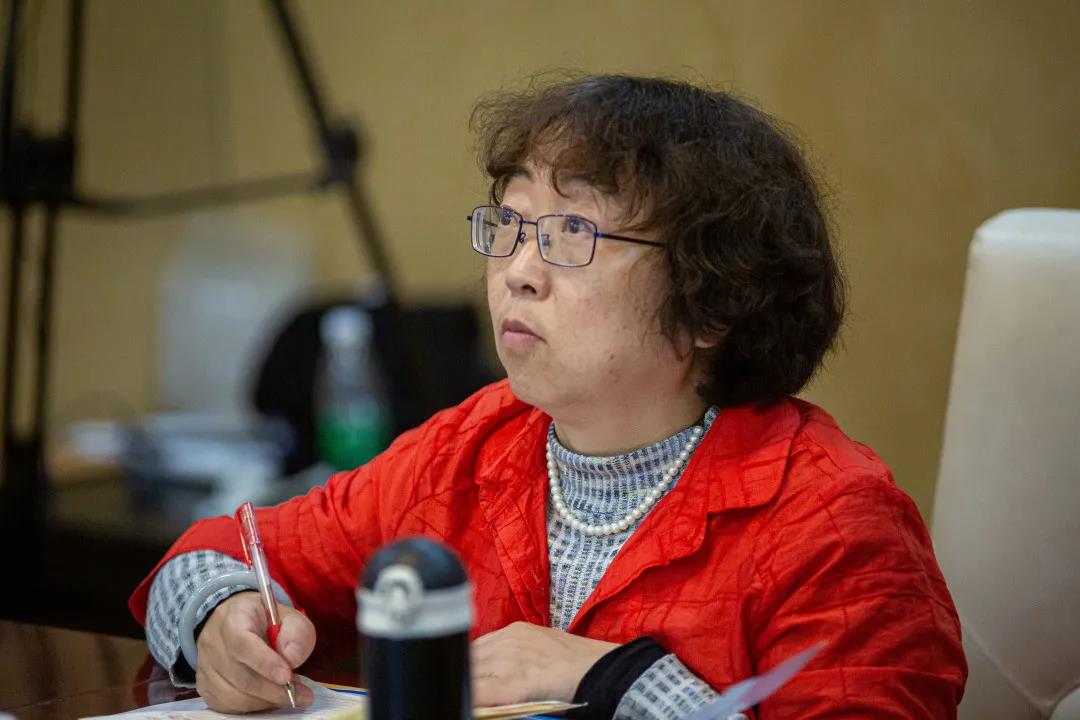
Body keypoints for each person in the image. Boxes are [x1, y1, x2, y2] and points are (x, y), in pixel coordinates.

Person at [130, 74, 967, 719]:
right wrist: (221, 618)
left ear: (712, 301)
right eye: (511, 224)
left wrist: (610, 678)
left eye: (572, 234)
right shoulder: (470, 446)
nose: (518, 272)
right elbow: (220, 551)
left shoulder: (833, 522)